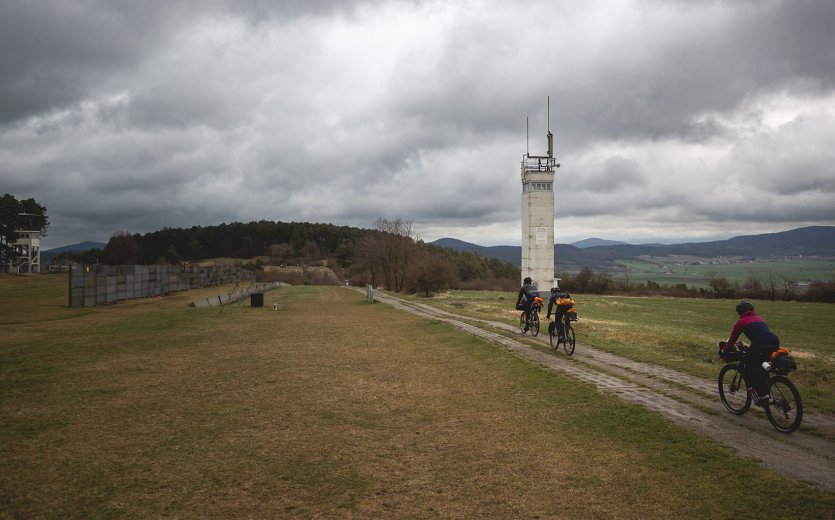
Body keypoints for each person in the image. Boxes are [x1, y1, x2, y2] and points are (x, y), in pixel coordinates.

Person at [722, 301, 780, 406]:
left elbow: (732, 340)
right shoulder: (760, 319)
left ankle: (763, 396)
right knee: (761, 366)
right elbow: (762, 335)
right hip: (774, 342)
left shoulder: (741, 322)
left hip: (760, 345)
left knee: (749, 367)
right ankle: (765, 393)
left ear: (740, 312)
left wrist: (724, 350)